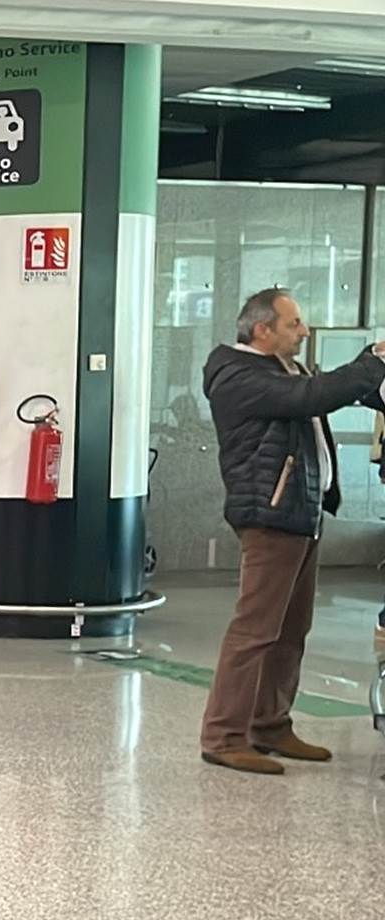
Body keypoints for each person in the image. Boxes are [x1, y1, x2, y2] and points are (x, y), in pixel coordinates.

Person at [198, 288, 385, 774]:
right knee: (256, 629)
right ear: (262, 329)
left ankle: (271, 725)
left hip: (302, 512)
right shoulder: (238, 375)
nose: (304, 331)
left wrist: (369, 375)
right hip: (271, 515)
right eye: (294, 323)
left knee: (290, 630)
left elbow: (326, 391)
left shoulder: (284, 368)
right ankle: (223, 736)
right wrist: (372, 360)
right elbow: (311, 397)